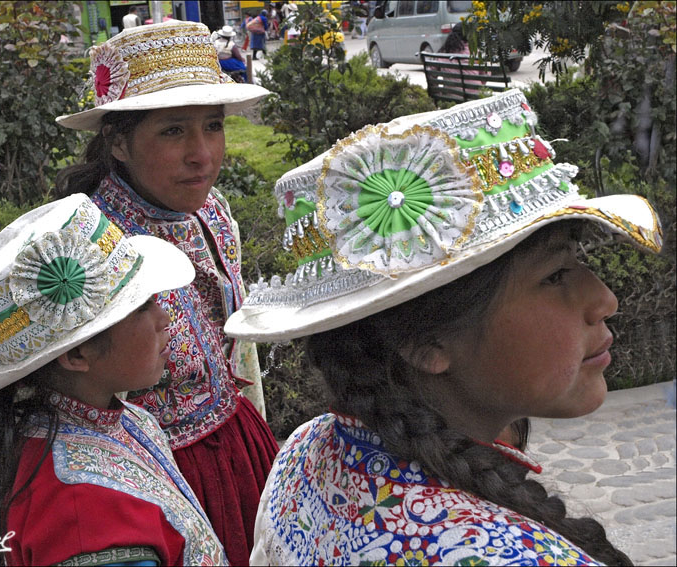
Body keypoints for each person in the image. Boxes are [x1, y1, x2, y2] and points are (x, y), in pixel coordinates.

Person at [225, 89, 664, 565]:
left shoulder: (306, 454)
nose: (605, 300)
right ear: (424, 342)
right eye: (555, 276)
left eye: (579, 263)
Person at [54, 20, 279, 565]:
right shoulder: (91, 250)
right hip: (158, 475)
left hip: (240, 446)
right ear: (119, 143)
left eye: (213, 125)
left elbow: (235, 346)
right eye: (174, 131)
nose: (203, 154)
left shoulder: (213, 212)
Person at [0, 194, 228, 566]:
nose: (165, 318)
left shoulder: (126, 419)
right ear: (77, 355)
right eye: (142, 307)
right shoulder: (85, 511)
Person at [438, 22, 483, 94]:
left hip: (450, 96)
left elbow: (431, 73)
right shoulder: (474, 51)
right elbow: (485, 74)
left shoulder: (444, 53)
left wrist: (437, 93)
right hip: (474, 97)